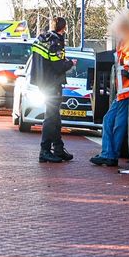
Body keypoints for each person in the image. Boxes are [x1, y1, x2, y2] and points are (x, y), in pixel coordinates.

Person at [91, 15, 129, 167]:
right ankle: (109, 154)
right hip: (123, 92)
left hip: (126, 91)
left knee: (113, 122)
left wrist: (126, 73)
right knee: (113, 122)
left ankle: (109, 155)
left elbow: (128, 64)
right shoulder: (125, 41)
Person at [29, 17, 75, 163]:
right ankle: (45, 150)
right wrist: (70, 63)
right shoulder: (55, 41)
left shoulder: (42, 38)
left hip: (43, 80)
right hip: (52, 83)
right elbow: (57, 65)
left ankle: (58, 148)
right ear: (64, 28)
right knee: (51, 117)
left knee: (55, 116)